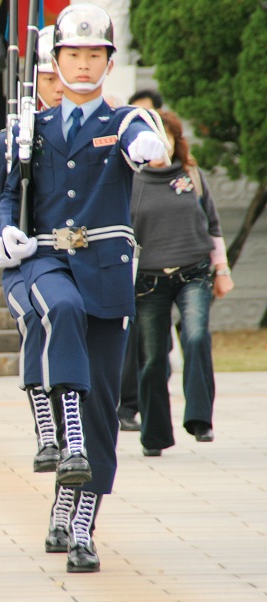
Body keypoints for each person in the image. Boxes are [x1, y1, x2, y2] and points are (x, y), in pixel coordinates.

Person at [0, 4, 166, 573]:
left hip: (107, 276)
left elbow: (142, 137)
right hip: (45, 265)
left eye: (96, 55)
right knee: (60, 310)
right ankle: (54, 433)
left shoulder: (120, 123)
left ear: (109, 62)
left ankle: (78, 518)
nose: (85, 65)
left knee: (102, 411)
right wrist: (2, 237)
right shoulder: (26, 131)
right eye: (74, 54)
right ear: (56, 60)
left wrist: (148, 148)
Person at [0, 25, 63, 471]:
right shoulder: (10, 138)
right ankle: (45, 429)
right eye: (46, 77)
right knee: (35, 318)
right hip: (30, 263)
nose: (54, 87)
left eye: (59, 75)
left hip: (84, 262)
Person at [132, 109, 234, 456]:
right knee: (152, 358)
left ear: (177, 142)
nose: (162, 145)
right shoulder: (131, 180)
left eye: (169, 137)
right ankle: (155, 435)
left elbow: (213, 226)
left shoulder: (193, 176)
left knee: (195, 335)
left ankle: (199, 419)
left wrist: (221, 271)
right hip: (148, 282)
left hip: (194, 272)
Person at [117, 87, 167, 432]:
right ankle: (127, 406)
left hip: (157, 270)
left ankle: (145, 411)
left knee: (154, 347)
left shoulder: (170, 173)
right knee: (128, 339)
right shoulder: (124, 165)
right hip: (125, 264)